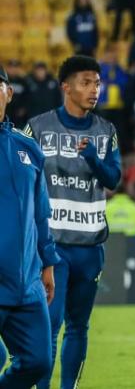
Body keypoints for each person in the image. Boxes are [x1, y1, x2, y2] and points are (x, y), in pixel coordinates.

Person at [24, 56, 122, 389]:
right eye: (86, 83)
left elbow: (113, 179)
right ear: (66, 87)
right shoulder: (38, 128)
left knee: (79, 327)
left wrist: (93, 158)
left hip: (90, 247)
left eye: (97, 83)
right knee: (49, 326)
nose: (94, 90)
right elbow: (22, 177)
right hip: (52, 246)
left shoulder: (106, 131)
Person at [0, 65, 58, 387]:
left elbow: (41, 214)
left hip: (26, 281)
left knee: (38, 362)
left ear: (9, 93)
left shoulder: (28, 148)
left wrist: (48, 262)